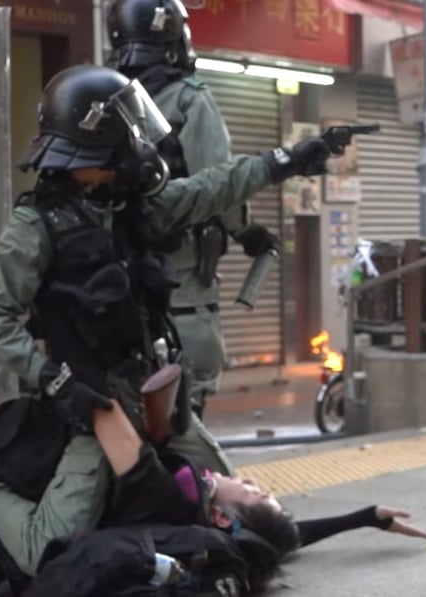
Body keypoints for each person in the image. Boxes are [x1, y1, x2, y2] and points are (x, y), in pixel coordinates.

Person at [0, 62, 332, 576]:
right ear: (91, 147)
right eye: (124, 134)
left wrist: (283, 162)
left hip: (157, 399)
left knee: (249, 521)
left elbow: (210, 188)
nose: (136, 146)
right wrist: (56, 381)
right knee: (44, 549)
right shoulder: (36, 228)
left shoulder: (130, 208)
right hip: (96, 412)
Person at [0, 412, 426, 597]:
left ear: (224, 515)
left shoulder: (160, 491)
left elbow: (99, 406)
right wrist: (364, 514)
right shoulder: (201, 527)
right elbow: (284, 537)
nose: (250, 479)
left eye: (256, 491)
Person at [105, 0, 282, 419]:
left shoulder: (105, 96)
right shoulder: (189, 99)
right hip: (182, 271)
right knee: (185, 393)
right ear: (173, 39)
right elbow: (219, 185)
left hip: (114, 268)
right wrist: (246, 231)